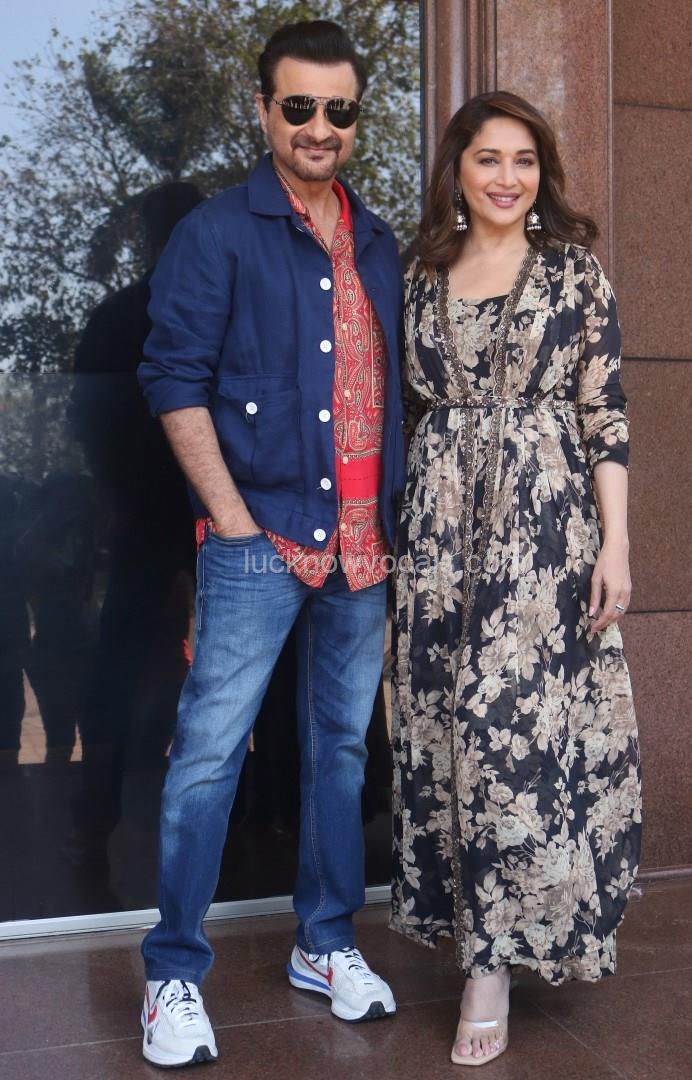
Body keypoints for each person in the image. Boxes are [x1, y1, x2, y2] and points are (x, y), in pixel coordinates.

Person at [137, 20, 405, 1069]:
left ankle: (324, 944)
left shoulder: (378, 241)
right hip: (259, 540)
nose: (318, 127)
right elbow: (173, 380)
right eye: (298, 106)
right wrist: (235, 519)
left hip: (361, 549)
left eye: (339, 109)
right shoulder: (218, 233)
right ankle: (171, 973)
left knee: (339, 752)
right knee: (208, 757)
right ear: (263, 110)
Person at [390, 91, 642, 1067]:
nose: (506, 177)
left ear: (542, 175)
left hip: (542, 535)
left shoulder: (573, 272)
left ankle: (491, 964)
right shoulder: (420, 275)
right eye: (488, 158)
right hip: (438, 537)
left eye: (524, 160)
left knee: (512, 739)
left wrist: (615, 546)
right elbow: (409, 415)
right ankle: (472, 928)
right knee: (443, 734)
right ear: (456, 170)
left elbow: (604, 416)